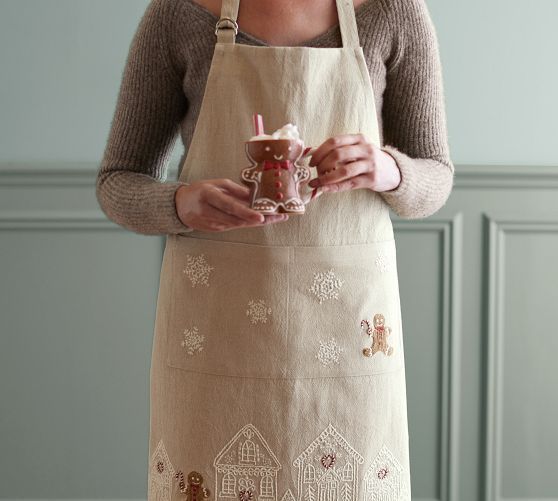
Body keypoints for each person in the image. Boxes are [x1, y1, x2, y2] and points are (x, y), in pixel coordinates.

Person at [96, 0, 454, 500]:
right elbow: (117, 181)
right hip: (216, 331)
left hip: (346, 334)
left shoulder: (392, 13)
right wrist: (179, 203)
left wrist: (386, 168)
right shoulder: (178, 15)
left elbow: (436, 176)